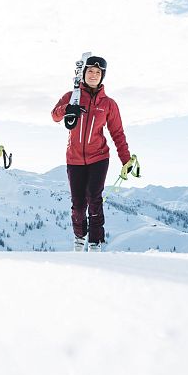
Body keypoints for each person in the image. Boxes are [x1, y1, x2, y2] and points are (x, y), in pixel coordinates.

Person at [51, 55, 133, 252]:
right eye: (90, 71)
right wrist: (67, 108)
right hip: (74, 159)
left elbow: (117, 133)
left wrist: (126, 160)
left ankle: (95, 242)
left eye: (98, 72)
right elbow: (55, 115)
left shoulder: (108, 104)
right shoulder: (72, 96)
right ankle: (80, 238)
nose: (94, 75)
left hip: (99, 158)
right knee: (78, 205)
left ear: (102, 76)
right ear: (84, 73)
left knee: (94, 199)